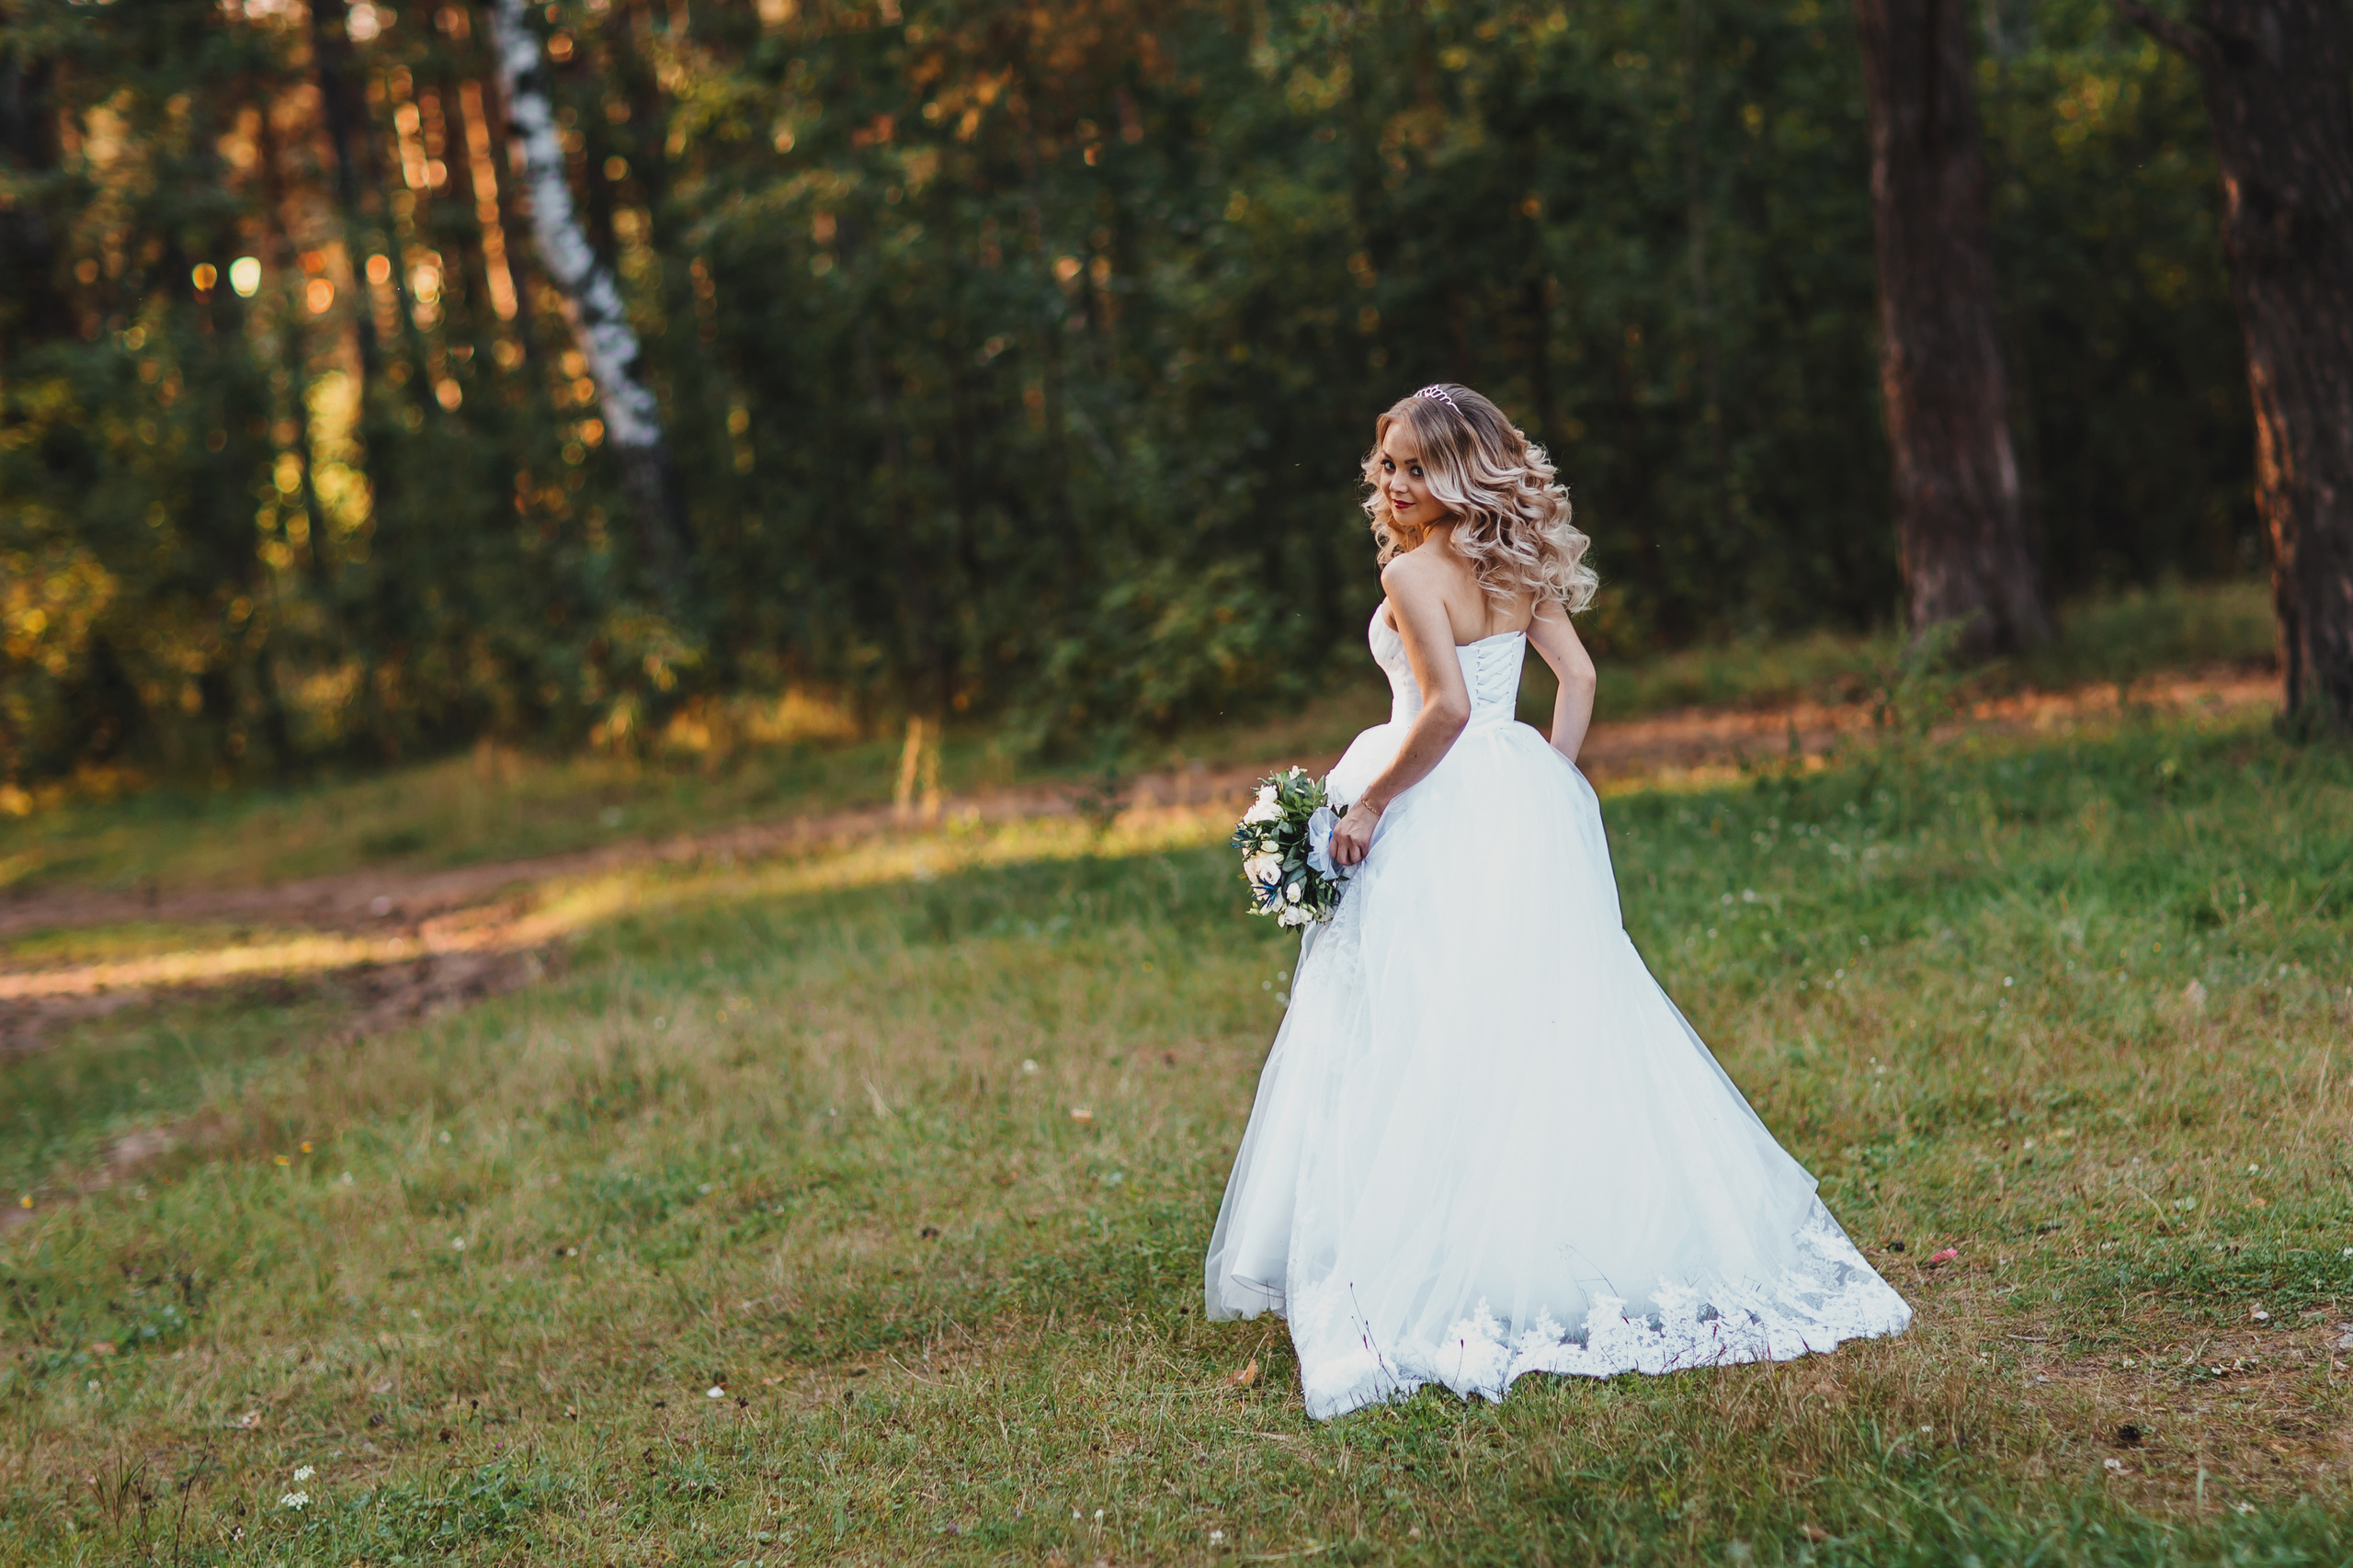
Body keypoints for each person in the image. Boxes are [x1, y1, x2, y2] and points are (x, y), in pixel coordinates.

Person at [1203, 383, 1911, 1420]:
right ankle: (1555, 1236)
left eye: (1414, 468)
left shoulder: (1411, 573)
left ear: (1459, 472)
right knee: (1539, 1015)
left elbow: (1443, 710)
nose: (1392, 484)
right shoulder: (1515, 558)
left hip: (1432, 799)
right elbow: (1576, 681)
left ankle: (1424, 1251)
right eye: (1387, 463)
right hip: (1512, 799)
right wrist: (1548, 779)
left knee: (1422, 1019)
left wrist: (1371, 806)